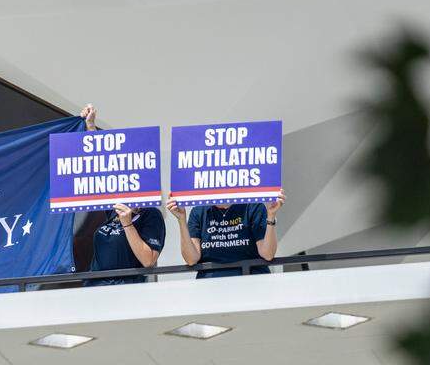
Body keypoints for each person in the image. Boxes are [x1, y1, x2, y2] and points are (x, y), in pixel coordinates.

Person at [79, 104, 166, 284]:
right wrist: (90, 127)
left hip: (126, 293)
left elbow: (148, 260)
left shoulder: (151, 215)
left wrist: (127, 225)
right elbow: (101, 167)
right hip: (95, 290)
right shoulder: (115, 210)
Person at [165, 190, 286, 278]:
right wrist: (181, 219)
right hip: (211, 285)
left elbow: (268, 254)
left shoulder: (253, 206)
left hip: (251, 280)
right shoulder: (198, 211)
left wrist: (271, 215)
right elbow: (191, 260)